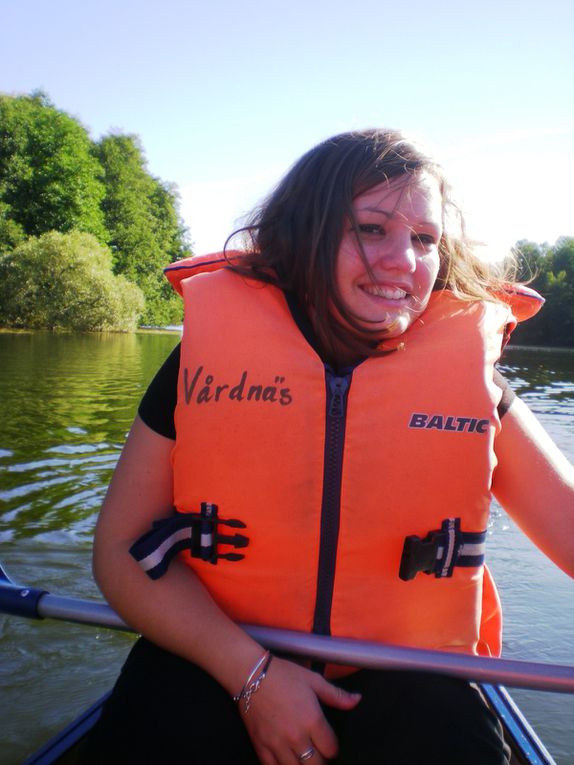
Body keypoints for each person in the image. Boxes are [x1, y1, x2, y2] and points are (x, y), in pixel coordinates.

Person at [80, 129, 574, 765]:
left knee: (445, 732)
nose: (404, 260)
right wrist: (253, 678)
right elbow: (121, 552)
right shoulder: (201, 362)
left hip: (405, 682)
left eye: (425, 239)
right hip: (217, 655)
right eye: (372, 229)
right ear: (305, 234)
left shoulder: (473, 383)